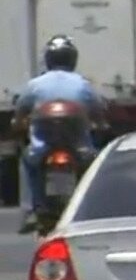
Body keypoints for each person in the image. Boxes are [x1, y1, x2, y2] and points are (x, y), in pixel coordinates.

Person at [13, 35, 106, 233]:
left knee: (28, 162)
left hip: (43, 143)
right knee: (94, 166)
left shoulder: (36, 84)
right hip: (78, 143)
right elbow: (98, 110)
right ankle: (93, 205)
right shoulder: (82, 84)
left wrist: (17, 123)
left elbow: (21, 110)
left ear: (48, 59)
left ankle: (30, 210)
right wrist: (101, 124)